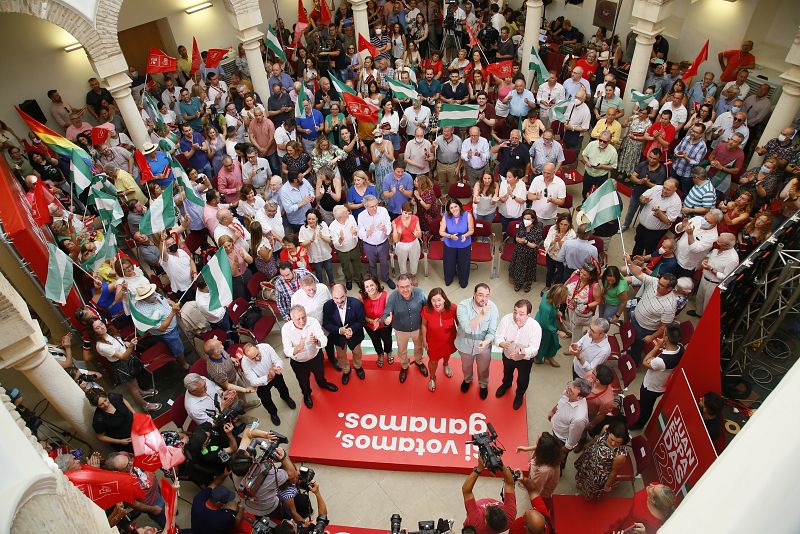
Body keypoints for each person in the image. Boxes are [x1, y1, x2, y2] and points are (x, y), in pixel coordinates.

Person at [229, 430, 298, 519]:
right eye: (249, 454)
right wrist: (284, 457)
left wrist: (267, 435)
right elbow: (293, 475)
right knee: (286, 516)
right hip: (270, 508)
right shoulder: (270, 475)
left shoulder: (237, 466)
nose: (248, 451)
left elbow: (247, 433)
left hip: (250, 507)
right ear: (252, 463)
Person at [282, 305, 339, 409]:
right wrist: (298, 348)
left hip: (315, 356)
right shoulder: (286, 329)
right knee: (303, 381)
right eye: (298, 319)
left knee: (320, 373)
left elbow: (323, 339)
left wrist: (317, 341)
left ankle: (322, 384)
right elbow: (286, 350)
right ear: (292, 319)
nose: (302, 321)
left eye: (303, 317)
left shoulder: (313, 322)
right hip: (299, 362)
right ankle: (307, 395)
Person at [624, 258, 678, 365]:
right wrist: (629, 261)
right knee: (631, 338)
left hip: (645, 329)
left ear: (669, 289)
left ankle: (634, 360)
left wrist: (652, 337)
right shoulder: (655, 282)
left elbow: (664, 326)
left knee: (636, 345)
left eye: (662, 286)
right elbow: (638, 274)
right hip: (635, 316)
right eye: (659, 282)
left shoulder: (669, 305)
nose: (658, 285)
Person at [631, 323, 683, 430]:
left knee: (647, 407)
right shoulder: (680, 347)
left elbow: (645, 362)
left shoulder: (662, 361)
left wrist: (657, 347)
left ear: (666, 338)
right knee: (645, 403)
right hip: (661, 383)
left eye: (663, 333)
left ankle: (639, 424)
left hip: (651, 387)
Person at [494, 299, 542, 410]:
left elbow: (534, 349)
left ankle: (519, 395)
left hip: (524, 360)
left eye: (521, 314)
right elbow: (498, 336)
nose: (516, 316)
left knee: (523, 379)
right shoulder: (506, 319)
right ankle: (506, 385)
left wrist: (522, 352)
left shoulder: (535, 327)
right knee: (507, 372)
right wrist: (502, 344)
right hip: (507, 355)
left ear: (528, 315)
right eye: (515, 312)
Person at [456, 283, 499, 399]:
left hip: (483, 346)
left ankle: (483, 385)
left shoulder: (493, 308)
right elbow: (468, 328)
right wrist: (481, 314)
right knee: (466, 367)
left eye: (487, 296)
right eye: (480, 295)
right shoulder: (463, 306)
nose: (484, 299)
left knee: (484, 368)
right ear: (474, 294)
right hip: (465, 344)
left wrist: (485, 343)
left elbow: (492, 331)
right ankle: (467, 380)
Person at [382, 274, 427, 383]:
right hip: (401, 330)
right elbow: (385, 315)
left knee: (419, 347)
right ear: (397, 287)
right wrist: (386, 320)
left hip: (418, 328)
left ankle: (419, 361)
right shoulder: (392, 297)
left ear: (412, 285)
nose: (405, 289)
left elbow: (427, 309)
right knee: (402, 350)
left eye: (408, 286)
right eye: (402, 287)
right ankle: (404, 366)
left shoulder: (420, 293)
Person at [241, 342, 296, 426]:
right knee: (266, 400)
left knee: (283, 388)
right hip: (262, 384)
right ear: (247, 357)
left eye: (257, 354)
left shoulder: (266, 347)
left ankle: (286, 398)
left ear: (257, 348)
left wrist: (278, 367)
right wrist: (267, 377)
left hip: (275, 373)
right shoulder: (244, 363)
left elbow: (277, 360)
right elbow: (253, 381)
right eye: (253, 358)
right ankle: (273, 413)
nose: (257, 358)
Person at [574, 420, 629, 500]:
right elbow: (598, 438)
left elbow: (614, 472)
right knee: (583, 474)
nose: (613, 444)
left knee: (592, 487)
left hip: (598, 473)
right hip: (589, 460)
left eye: (618, 442)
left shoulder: (620, 456)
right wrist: (589, 445)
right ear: (609, 432)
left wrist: (607, 485)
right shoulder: (606, 428)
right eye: (611, 439)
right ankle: (580, 484)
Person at [323, 284, 367, 385]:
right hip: (338, 337)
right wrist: (339, 330)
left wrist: (351, 329)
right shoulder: (327, 306)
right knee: (341, 356)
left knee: (357, 353)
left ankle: (358, 367)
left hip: (355, 335)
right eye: (336, 298)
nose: (339, 301)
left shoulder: (357, 304)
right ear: (331, 296)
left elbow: (361, 321)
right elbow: (326, 323)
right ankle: (346, 371)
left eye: (342, 297)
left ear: (346, 293)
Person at [462, 457, 517, 534]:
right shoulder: (509, 517)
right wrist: (500, 464)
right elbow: (509, 483)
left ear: (485, 521)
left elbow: (466, 490)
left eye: (488, 509)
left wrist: (479, 469)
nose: (491, 504)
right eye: (498, 508)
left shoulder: (475, 521)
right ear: (504, 514)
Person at [690, 233, 739, 317]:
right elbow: (708, 257)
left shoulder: (732, 259)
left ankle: (704, 322)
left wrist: (712, 270)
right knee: (699, 298)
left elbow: (727, 278)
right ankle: (698, 313)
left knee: (707, 304)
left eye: (719, 241)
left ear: (726, 245)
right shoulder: (717, 249)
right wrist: (704, 261)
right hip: (704, 278)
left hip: (714, 284)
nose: (716, 241)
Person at [419, 287, 458, 392]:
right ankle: (432, 377)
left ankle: (446, 364)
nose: (436, 303)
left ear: (444, 299)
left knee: (447, 353)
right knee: (433, 361)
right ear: (430, 301)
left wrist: (461, 337)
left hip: (449, 340)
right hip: (433, 342)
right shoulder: (426, 310)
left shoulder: (453, 308)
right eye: (433, 300)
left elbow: (459, 323)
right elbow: (423, 325)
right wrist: (424, 340)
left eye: (439, 300)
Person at [548, 378, 591, 469]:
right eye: (569, 386)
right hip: (557, 429)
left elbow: (572, 440)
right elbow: (560, 402)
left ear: (579, 397)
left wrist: (563, 451)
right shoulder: (569, 392)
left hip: (561, 439)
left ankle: (558, 470)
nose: (567, 390)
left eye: (570, 391)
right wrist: (553, 411)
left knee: (558, 460)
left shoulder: (579, 418)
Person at [631, 179, 682, 257]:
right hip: (641, 226)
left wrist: (659, 213)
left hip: (655, 232)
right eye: (664, 187)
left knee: (650, 250)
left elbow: (669, 221)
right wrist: (643, 200)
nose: (664, 190)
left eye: (668, 190)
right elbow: (642, 197)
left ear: (675, 190)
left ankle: (645, 266)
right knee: (638, 244)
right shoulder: (656, 188)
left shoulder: (676, 202)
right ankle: (633, 260)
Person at [515, 432, 563, 512]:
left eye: (538, 443)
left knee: (541, 505)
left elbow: (535, 488)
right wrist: (526, 448)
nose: (536, 444)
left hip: (543, 492)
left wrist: (523, 480)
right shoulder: (554, 454)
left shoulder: (543, 471)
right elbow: (539, 447)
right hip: (543, 479)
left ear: (542, 451)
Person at [358, 194, 395, 289]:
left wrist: (385, 229)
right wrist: (367, 232)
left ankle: (386, 278)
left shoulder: (383, 211)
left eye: (376, 205)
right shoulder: (361, 216)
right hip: (369, 245)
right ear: (366, 206)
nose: (375, 208)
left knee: (384, 263)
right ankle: (374, 281)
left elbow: (389, 225)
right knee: (372, 264)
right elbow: (360, 233)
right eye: (372, 206)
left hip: (383, 243)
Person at [610, 484, 676, 534]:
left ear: (653, 500)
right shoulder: (660, 496)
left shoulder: (653, 525)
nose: (651, 485)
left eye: (653, 489)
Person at [440, 197, 475, 288]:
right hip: (450, 244)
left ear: (459, 206)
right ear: (449, 210)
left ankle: (463, 280)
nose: (454, 209)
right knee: (449, 263)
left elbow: (471, 230)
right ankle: (449, 278)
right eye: (451, 208)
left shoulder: (468, 215)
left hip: (464, 244)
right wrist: (450, 236)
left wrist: (465, 235)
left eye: (455, 206)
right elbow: (441, 232)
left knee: (463, 263)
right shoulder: (446, 216)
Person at [361, 275, 394, 368]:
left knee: (387, 340)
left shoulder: (385, 295)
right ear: (364, 288)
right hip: (369, 325)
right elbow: (361, 314)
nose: (370, 288)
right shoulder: (361, 297)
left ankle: (389, 352)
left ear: (376, 285)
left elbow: (389, 312)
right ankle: (380, 354)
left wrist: (380, 320)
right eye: (366, 286)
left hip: (384, 324)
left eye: (372, 285)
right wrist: (371, 321)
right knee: (375, 341)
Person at [508, 209, 544, 292]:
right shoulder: (521, 225)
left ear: (533, 219)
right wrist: (518, 240)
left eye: (528, 219)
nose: (526, 221)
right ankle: (518, 283)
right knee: (518, 268)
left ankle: (528, 284)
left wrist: (525, 241)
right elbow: (517, 237)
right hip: (520, 251)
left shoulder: (538, 229)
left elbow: (534, 245)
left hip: (530, 253)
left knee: (529, 269)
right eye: (524, 218)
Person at [328, 205, 361, 291]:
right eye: (346, 212)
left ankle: (358, 279)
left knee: (357, 264)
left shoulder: (351, 218)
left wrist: (355, 232)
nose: (349, 213)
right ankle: (349, 280)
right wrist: (340, 239)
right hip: (342, 251)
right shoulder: (332, 227)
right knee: (345, 267)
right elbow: (335, 243)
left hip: (354, 247)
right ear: (341, 216)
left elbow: (356, 228)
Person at [580, 131, 618, 200]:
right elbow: (584, 155)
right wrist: (587, 162)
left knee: (596, 196)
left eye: (605, 141)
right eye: (600, 140)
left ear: (609, 141)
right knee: (585, 192)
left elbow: (613, 167)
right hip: (588, 173)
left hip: (601, 177)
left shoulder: (613, 151)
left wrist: (602, 166)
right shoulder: (592, 144)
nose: (602, 143)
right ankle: (584, 206)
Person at [392, 202, 422, 284]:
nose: (407, 215)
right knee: (402, 261)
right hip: (401, 244)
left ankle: (413, 275)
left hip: (413, 243)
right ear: (401, 210)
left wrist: (417, 234)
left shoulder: (415, 218)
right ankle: (404, 276)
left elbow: (420, 234)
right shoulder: (395, 222)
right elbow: (395, 240)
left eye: (409, 213)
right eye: (405, 213)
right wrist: (399, 233)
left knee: (414, 260)